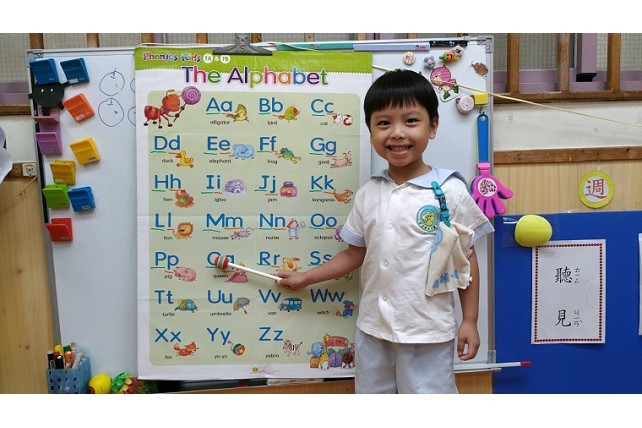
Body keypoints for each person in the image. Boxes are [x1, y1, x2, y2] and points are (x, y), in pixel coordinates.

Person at [277, 69, 494, 393]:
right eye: (383, 123)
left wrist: (470, 320)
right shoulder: (368, 194)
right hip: (373, 329)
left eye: (411, 121)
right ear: (370, 131)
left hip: (427, 331)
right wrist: (307, 277)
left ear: (433, 126)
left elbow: (467, 260)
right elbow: (354, 254)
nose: (397, 133)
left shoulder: (450, 191)